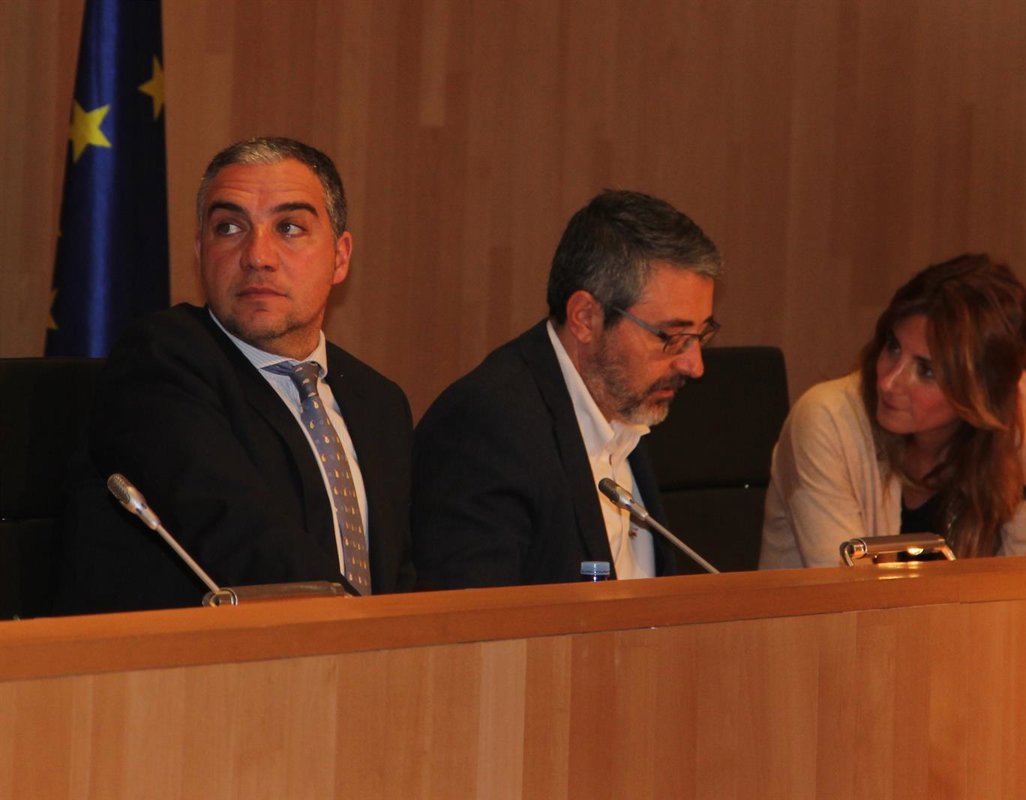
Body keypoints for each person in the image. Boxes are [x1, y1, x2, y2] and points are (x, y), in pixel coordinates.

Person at [56, 137, 415, 613]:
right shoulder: (160, 365)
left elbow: (403, 573)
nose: (257, 256)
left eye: (289, 227)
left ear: (340, 257)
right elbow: (244, 537)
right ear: (200, 251)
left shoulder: (379, 402)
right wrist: (365, 630)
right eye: (229, 228)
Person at [412, 189, 722, 588]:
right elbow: (475, 617)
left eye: (702, 334)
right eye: (672, 337)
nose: (694, 366)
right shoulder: (485, 428)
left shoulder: (630, 404)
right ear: (585, 318)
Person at [759, 254, 1026, 569]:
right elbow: (849, 591)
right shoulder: (827, 420)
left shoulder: (1020, 430)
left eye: (926, 370)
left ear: (982, 393)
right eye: (893, 346)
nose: (888, 382)